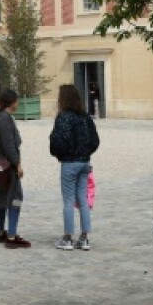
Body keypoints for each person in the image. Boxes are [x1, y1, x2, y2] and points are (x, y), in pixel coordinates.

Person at [50, 84, 100, 251]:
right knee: (83, 200)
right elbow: (95, 140)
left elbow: (59, 140)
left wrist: (60, 154)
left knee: (69, 201)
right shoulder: (85, 117)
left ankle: (67, 237)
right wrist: (85, 152)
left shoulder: (63, 117)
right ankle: (84, 238)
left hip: (70, 163)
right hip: (85, 162)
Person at [0, 88, 29, 248]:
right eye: (16, 100)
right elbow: (9, 145)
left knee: (1, 198)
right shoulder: (5, 119)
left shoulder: (1, 117)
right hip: (6, 166)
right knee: (16, 198)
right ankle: (11, 236)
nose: (18, 103)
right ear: (12, 102)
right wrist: (17, 163)